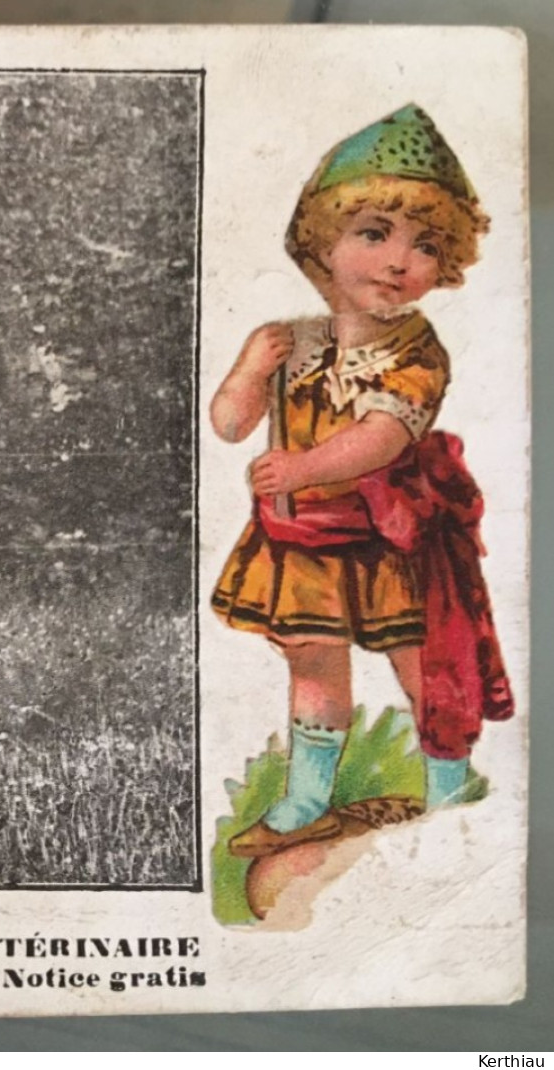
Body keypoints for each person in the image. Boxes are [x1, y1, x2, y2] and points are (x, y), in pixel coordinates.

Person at [209, 104, 513, 859]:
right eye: (373, 233)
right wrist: (249, 372)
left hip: (388, 541)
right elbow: (228, 424)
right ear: (322, 242)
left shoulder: (418, 351)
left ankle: (447, 781)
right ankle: (308, 793)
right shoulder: (289, 339)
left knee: (421, 660)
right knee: (313, 660)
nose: (396, 260)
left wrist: (306, 467)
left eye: (424, 245)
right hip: (301, 544)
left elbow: (382, 437)